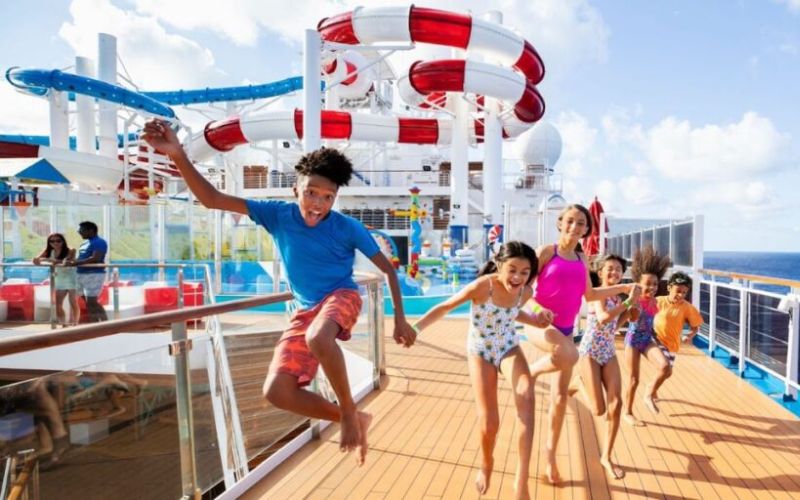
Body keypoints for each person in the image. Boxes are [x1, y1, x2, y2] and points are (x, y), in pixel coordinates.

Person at [141, 118, 416, 466]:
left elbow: (389, 268)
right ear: (295, 190)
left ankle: (349, 411)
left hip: (341, 296)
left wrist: (400, 321)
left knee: (319, 337)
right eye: (311, 193)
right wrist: (179, 155)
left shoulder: (347, 227)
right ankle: (354, 417)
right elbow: (211, 199)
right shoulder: (276, 214)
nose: (318, 203)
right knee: (277, 391)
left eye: (327, 197)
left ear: (335, 198)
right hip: (306, 310)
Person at [412, 241, 550, 499]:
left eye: (525, 271)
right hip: (480, 351)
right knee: (489, 423)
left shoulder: (525, 291)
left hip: (508, 347)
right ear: (499, 265)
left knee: (527, 392)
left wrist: (538, 319)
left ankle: (521, 479)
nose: (518, 277)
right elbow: (445, 307)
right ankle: (487, 463)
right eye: (512, 270)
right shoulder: (482, 287)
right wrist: (415, 329)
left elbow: (514, 313)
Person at [527, 204, 636, 484]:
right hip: (540, 325)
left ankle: (550, 460)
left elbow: (589, 294)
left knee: (560, 400)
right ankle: (531, 373)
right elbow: (525, 292)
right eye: (570, 221)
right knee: (570, 354)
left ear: (587, 229)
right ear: (560, 223)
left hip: (564, 331)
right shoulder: (546, 252)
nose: (575, 227)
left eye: (581, 223)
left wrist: (623, 289)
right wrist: (539, 313)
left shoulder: (582, 258)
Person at [572, 254, 640, 480]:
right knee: (598, 410)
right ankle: (579, 383)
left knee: (616, 404)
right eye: (609, 269)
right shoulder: (596, 295)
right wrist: (627, 303)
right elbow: (602, 318)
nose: (614, 273)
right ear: (600, 273)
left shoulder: (618, 298)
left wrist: (630, 314)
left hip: (608, 352)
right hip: (590, 352)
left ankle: (607, 456)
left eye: (618, 269)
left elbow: (613, 325)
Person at [622, 246, 671, 425]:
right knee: (634, 380)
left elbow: (653, 324)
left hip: (647, 340)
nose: (652, 287)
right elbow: (632, 318)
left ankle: (649, 393)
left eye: (655, 284)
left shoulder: (656, 302)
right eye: (648, 283)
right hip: (633, 341)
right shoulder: (636, 300)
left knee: (665, 367)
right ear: (639, 283)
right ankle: (627, 412)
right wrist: (634, 309)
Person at [651, 271, 703, 399]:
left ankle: (653, 389)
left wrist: (689, 336)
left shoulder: (687, 308)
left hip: (672, 344)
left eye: (684, 292)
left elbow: (695, 327)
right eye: (678, 291)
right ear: (669, 288)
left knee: (668, 373)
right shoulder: (658, 301)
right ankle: (650, 391)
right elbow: (646, 317)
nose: (681, 295)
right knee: (665, 367)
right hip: (657, 341)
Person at [33, 233, 79, 326]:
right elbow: (37, 259)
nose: (55, 243)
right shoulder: (50, 251)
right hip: (59, 278)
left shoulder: (71, 250)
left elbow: (67, 261)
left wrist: (49, 260)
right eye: (52, 241)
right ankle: (63, 323)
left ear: (63, 241)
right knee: (58, 304)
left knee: (73, 302)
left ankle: (75, 324)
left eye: (58, 240)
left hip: (71, 278)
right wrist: (39, 260)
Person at [71, 221, 108, 323]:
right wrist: (73, 261)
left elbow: (96, 258)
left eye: (81, 230)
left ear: (90, 230)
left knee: (92, 301)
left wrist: (76, 263)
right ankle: (95, 324)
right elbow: (81, 257)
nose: (79, 232)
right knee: (88, 302)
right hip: (80, 274)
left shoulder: (99, 242)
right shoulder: (84, 243)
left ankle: (106, 324)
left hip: (94, 274)